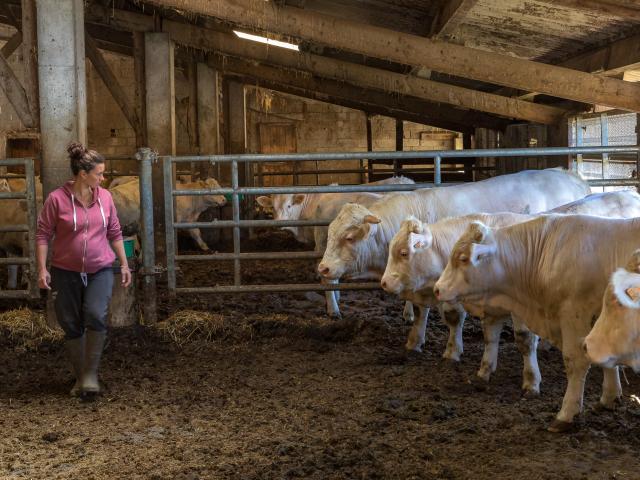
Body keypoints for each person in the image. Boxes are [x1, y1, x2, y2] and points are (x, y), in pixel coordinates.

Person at [36, 142, 132, 398]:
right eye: (99, 173)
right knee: (69, 322)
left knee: (95, 313)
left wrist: (123, 263)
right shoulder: (56, 200)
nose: (103, 178)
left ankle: (90, 375)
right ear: (83, 174)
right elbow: (43, 234)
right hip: (64, 270)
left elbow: (115, 231)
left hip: (100, 267)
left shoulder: (106, 198)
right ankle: (82, 376)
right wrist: (42, 269)